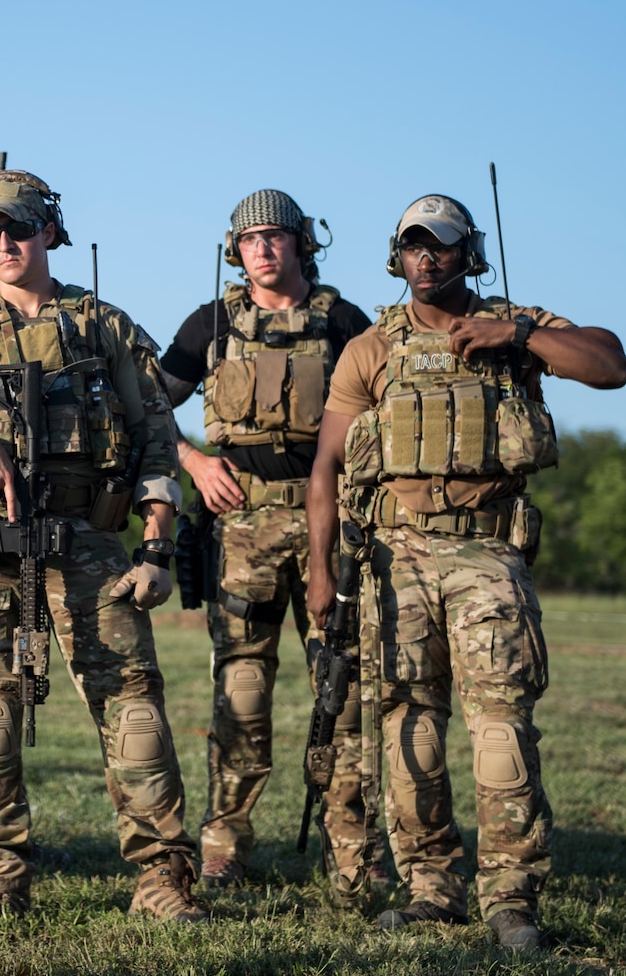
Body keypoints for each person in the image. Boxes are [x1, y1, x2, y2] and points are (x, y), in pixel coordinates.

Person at [306, 194, 626, 953]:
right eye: (414, 246)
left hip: (486, 552)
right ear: (397, 255)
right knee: (407, 725)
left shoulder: (518, 327)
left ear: (469, 253)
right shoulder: (371, 346)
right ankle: (432, 888)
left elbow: (612, 364)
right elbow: (325, 465)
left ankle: (510, 895)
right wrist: (320, 573)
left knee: (501, 727)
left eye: (442, 246)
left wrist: (514, 333)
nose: (427, 258)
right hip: (395, 557)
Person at [0, 168, 207, 927]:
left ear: (49, 231)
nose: (6, 244)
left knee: (134, 715)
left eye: (20, 228)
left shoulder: (105, 325)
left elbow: (156, 439)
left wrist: (157, 547)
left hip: (90, 546)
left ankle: (163, 877)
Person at [155, 189, 375, 898]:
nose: (264, 248)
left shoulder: (343, 322)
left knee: (341, 687)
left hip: (329, 518)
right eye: (251, 238)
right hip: (239, 520)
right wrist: (194, 462)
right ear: (235, 248)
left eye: (277, 236)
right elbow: (148, 404)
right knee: (240, 689)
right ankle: (224, 844)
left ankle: (352, 846)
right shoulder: (212, 323)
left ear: (303, 242)